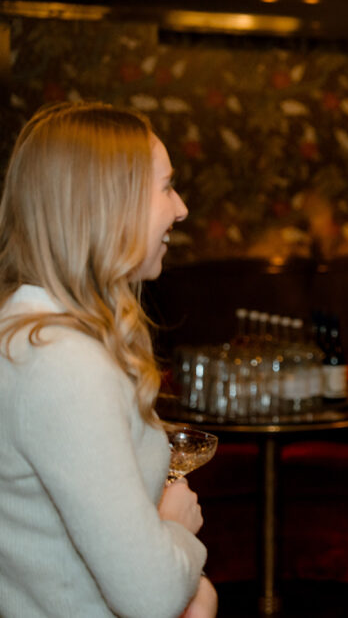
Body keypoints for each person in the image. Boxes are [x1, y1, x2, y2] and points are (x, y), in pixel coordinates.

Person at [0, 102, 218, 618]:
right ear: (107, 204)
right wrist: (175, 528)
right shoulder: (62, 362)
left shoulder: (25, 328)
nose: (181, 208)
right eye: (166, 186)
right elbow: (151, 596)